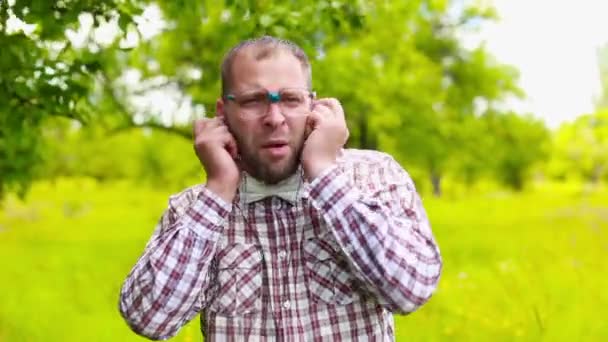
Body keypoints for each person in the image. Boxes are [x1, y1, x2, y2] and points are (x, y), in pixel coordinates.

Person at [119, 35, 442, 341]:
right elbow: (150, 319)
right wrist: (218, 189)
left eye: (290, 99)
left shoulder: (374, 177)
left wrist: (324, 174)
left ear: (313, 106)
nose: (274, 118)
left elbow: (411, 291)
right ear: (222, 113)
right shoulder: (194, 209)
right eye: (252, 101)